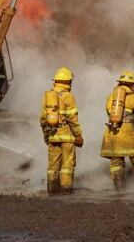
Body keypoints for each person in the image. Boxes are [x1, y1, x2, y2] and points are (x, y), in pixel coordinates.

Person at [100, 71, 134, 191]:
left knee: (116, 162)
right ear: (131, 85)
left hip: (112, 133)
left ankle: (119, 190)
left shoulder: (110, 97)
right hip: (129, 133)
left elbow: (110, 114)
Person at [40, 67, 83, 195]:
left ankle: (52, 191)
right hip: (67, 137)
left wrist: (46, 134)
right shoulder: (68, 96)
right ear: (68, 82)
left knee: (53, 165)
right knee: (67, 164)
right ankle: (66, 190)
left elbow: (42, 118)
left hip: (52, 135)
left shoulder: (47, 96)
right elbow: (72, 118)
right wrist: (78, 135)